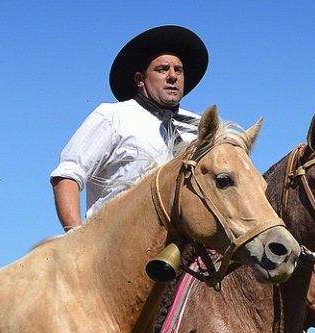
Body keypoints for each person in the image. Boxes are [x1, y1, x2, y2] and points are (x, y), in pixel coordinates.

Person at [50, 25, 209, 232]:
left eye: (178, 70)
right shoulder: (113, 116)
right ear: (140, 80)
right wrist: (75, 236)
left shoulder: (199, 126)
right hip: (115, 238)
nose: (173, 76)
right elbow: (68, 174)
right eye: (162, 69)